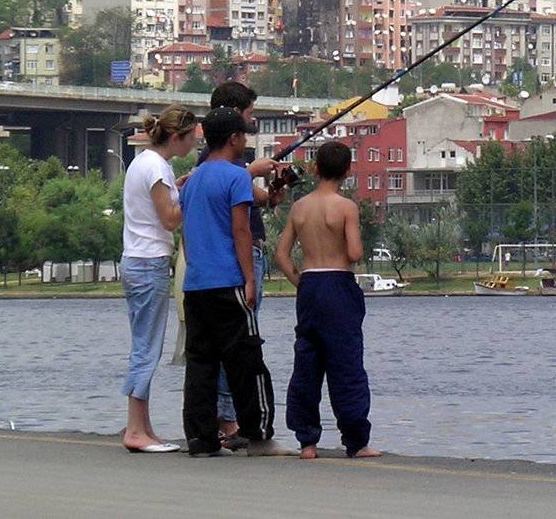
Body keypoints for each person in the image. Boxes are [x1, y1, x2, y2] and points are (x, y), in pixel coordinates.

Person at [178, 107, 283, 456]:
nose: (246, 141)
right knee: (246, 360)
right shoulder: (237, 177)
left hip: (196, 285)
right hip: (228, 282)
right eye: (244, 135)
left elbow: (187, 234)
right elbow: (241, 230)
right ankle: (258, 435)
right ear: (235, 138)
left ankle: (200, 438)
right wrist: (250, 280)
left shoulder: (192, 180)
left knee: (201, 364)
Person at [276, 141, 379, 460]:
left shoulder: (299, 208)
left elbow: (281, 254)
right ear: (348, 172)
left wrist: (300, 280)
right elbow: (355, 253)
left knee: (307, 361)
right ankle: (356, 440)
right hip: (337, 282)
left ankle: (307, 441)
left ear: (316, 168)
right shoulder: (346, 207)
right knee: (346, 362)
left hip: (310, 284)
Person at [120, 105, 198, 454]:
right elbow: (169, 219)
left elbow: (159, 208)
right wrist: (194, 196)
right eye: (191, 137)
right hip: (148, 262)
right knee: (147, 347)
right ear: (176, 137)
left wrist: (178, 188)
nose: (195, 142)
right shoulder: (155, 167)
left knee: (144, 344)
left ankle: (142, 426)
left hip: (137, 259)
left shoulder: (146, 162)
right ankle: (136, 430)